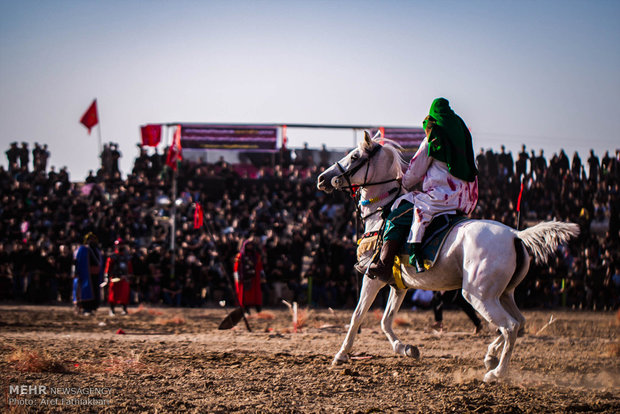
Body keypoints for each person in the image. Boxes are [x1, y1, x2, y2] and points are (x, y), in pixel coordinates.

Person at [368, 98, 478, 280]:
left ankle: (385, 265)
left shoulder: (432, 141)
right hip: (466, 200)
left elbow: (414, 174)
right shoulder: (463, 142)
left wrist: (402, 183)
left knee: (395, 216)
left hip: (440, 198)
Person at [72, 233, 103, 315]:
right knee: (85, 291)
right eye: (89, 239)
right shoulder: (82, 249)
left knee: (95, 292)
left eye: (93, 239)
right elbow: (76, 262)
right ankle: (86, 308)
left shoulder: (97, 250)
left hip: (95, 275)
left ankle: (93, 308)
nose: (91, 241)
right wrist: (75, 272)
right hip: (86, 275)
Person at [233, 235, 264, 313]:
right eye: (248, 245)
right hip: (244, 278)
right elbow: (236, 268)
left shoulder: (256, 256)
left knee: (256, 294)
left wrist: (262, 276)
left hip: (254, 278)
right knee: (244, 295)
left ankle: (258, 308)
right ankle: (245, 308)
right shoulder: (240, 256)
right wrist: (237, 279)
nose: (249, 247)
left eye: (251, 245)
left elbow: (260, 267)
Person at [103, 239, 133, 315]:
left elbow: (129, 267)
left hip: (124, 278)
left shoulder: (127, 257)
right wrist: (107, 277)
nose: (120, 246)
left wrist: (129, 276)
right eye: (119, 245)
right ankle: (112, 309)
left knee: (124, 294)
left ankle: (124, 309)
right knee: (113, 295)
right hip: (114, 278)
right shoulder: (113, 257)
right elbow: (108, 268)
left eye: (121, 245)